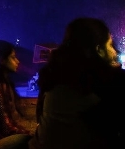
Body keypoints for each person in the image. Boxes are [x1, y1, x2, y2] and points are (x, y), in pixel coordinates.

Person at [29, 17, 125, 149]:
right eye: (110, 45)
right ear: (98, 49)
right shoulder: (107, 82)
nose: (114, 51)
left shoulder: (52, 77)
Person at [0, 42, 34, 138]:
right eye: (13, 57)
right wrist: (29, 134)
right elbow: (5, 125)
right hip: (4, 137)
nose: (17, 61)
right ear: (2, 60)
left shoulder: (6, 82)